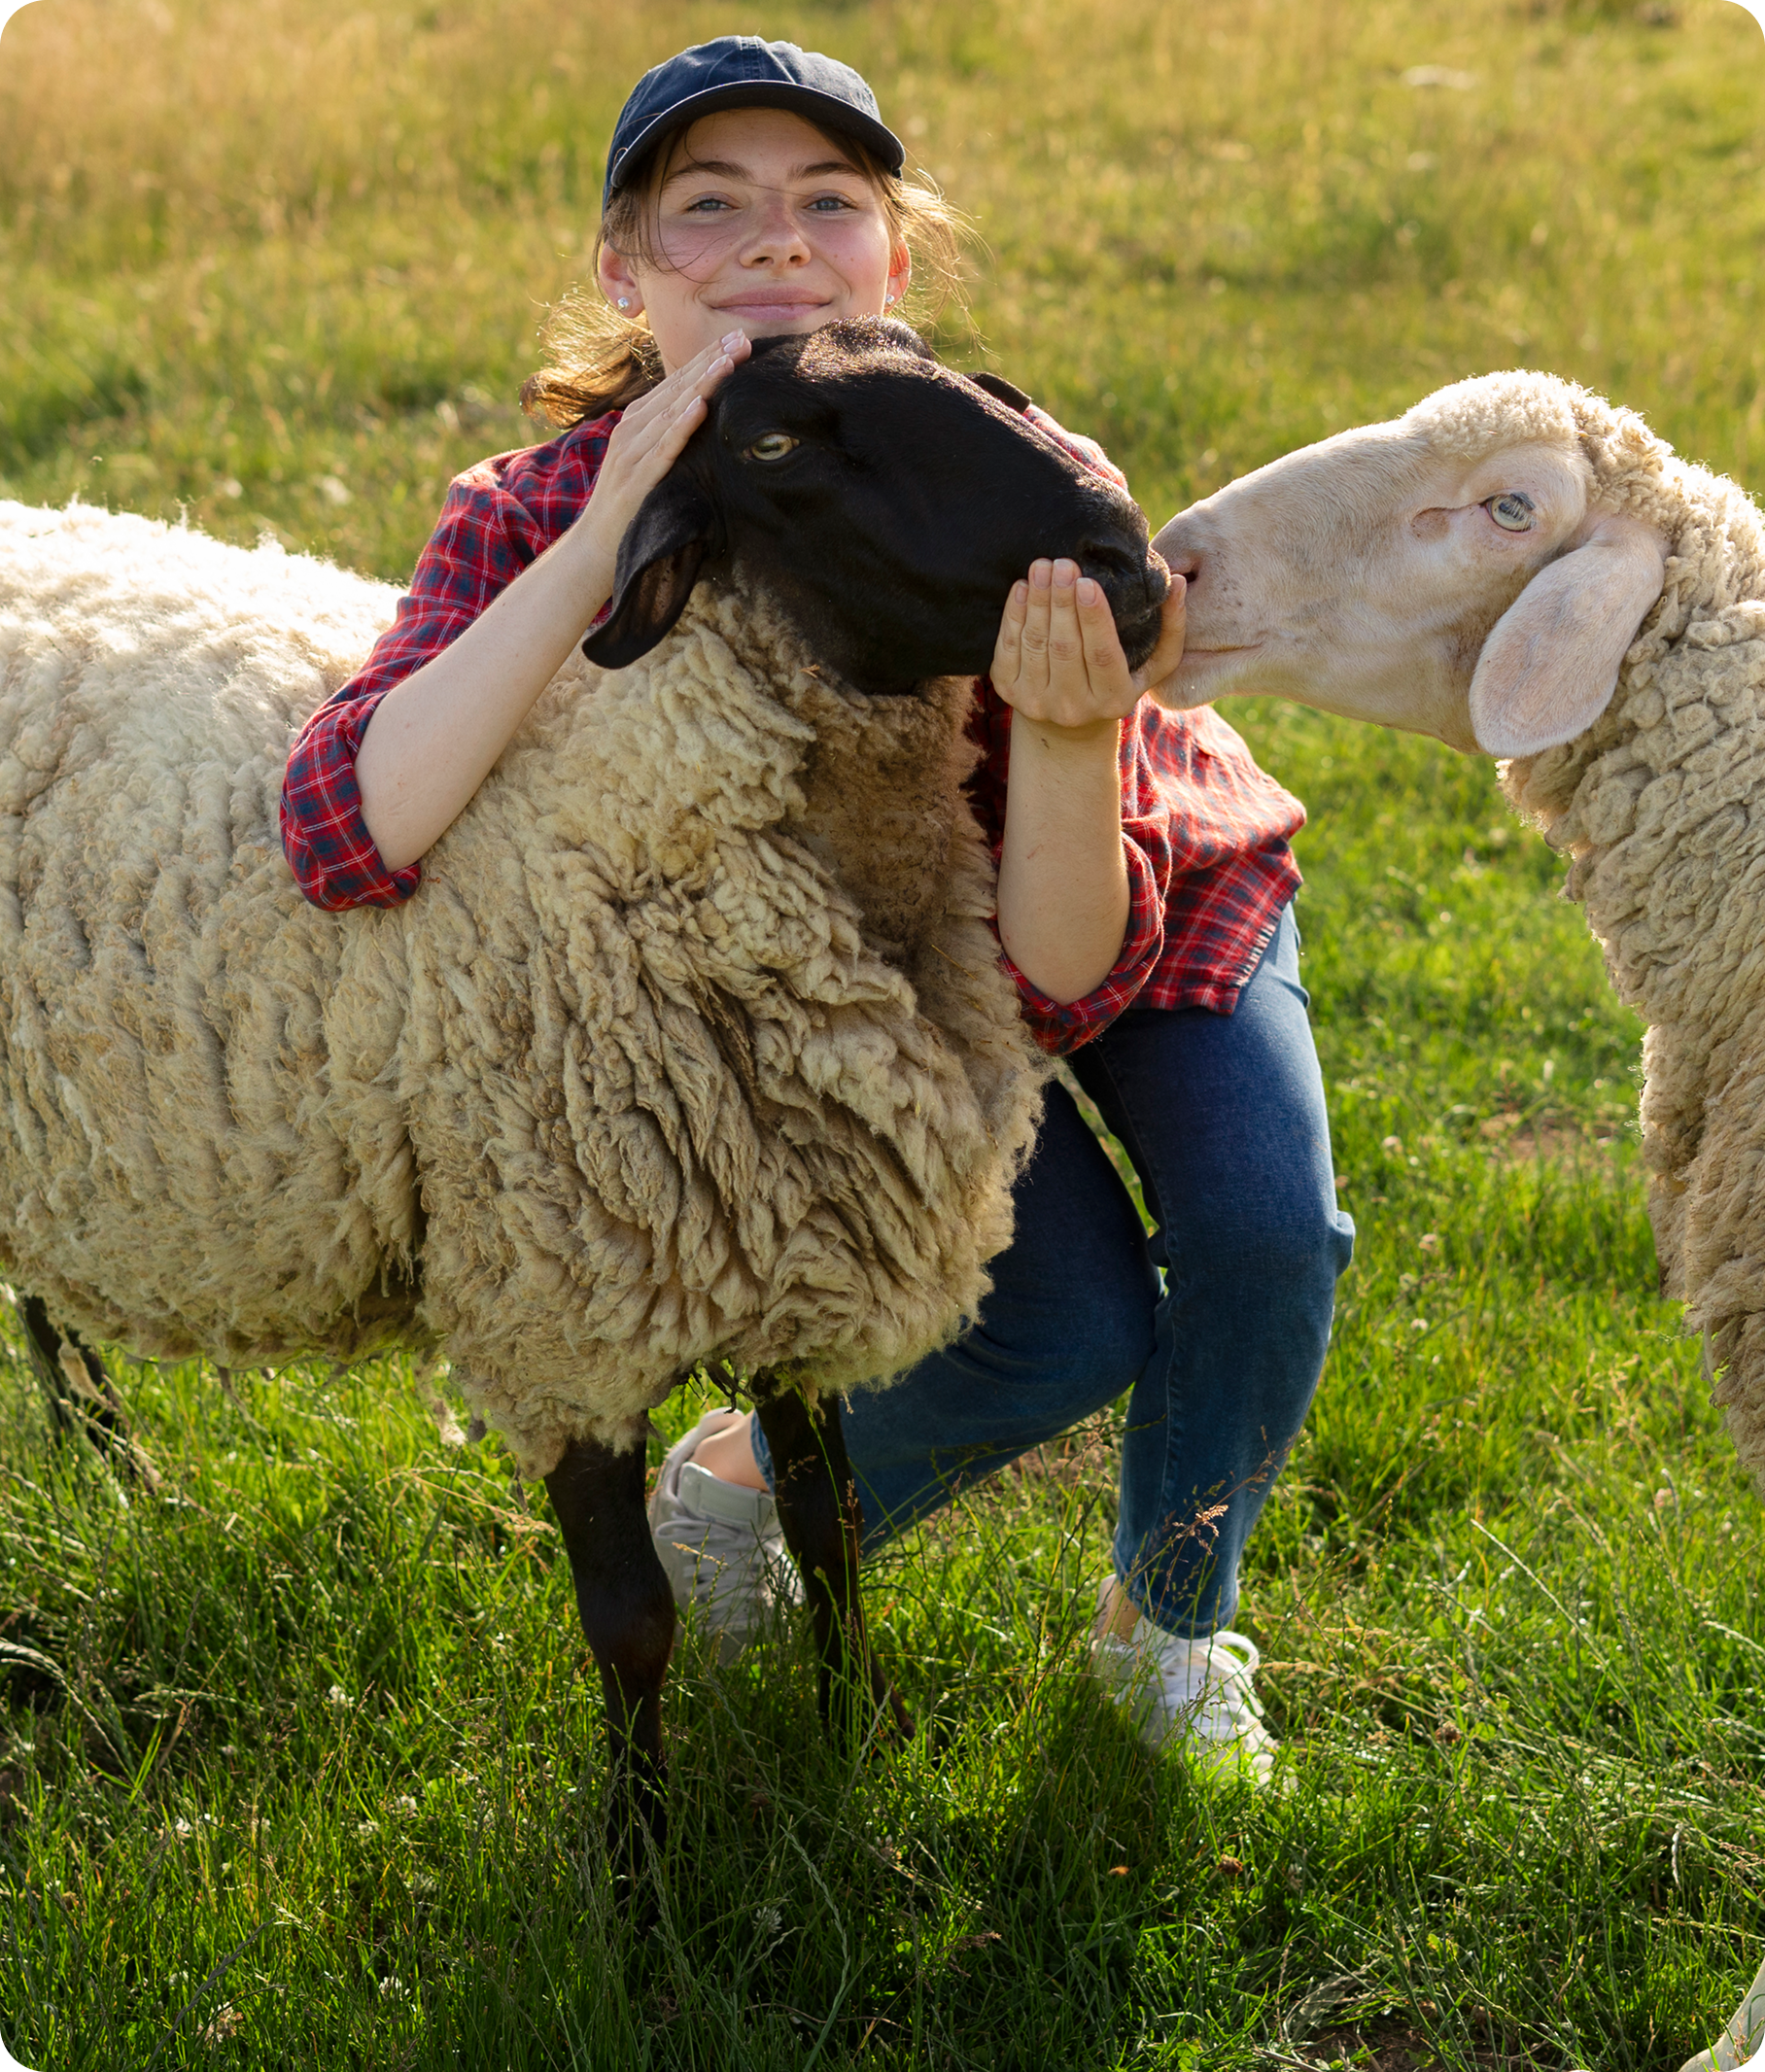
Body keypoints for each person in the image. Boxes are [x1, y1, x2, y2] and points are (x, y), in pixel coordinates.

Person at [280, 36, 1353, 1789]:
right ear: (622, 271)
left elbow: (1055, 967)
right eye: (710, 206)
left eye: (829, 202)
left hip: (1135, 890)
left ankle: (1168, 1626)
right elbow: (342, 836)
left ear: (894, 259)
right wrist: (600, 538)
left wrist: (1070, 729)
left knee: (1263, 1236)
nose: (778, 238)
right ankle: (739, 1489)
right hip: (879, 967)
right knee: (1062, 1324)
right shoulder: (533, 505)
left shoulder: (990, 474)